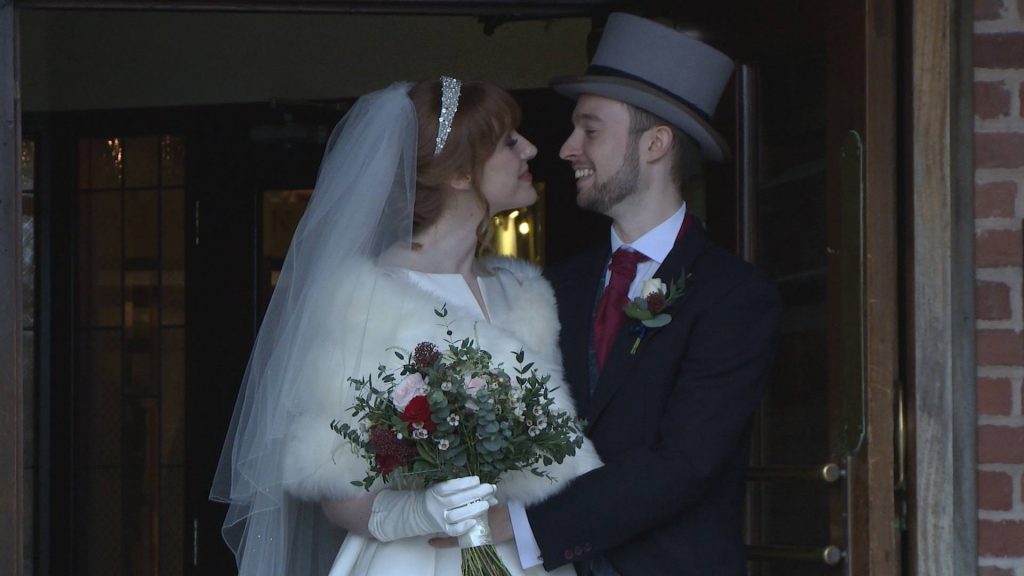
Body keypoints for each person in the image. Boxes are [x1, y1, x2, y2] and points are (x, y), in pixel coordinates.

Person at [210, 77, 601, 576]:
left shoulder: (526, 296)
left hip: (524, 555)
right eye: (509, 140)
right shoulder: (365, 301)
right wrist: (420, 510)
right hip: (417, 560)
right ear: (460, 173)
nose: (530, 148)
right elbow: (334, 482)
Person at [482, 13, 783, 576]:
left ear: (656, 144)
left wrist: (521, 527)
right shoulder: (554, 285)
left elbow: (684, 463)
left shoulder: (736, 297)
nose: (568, 148)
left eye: (590, 130)